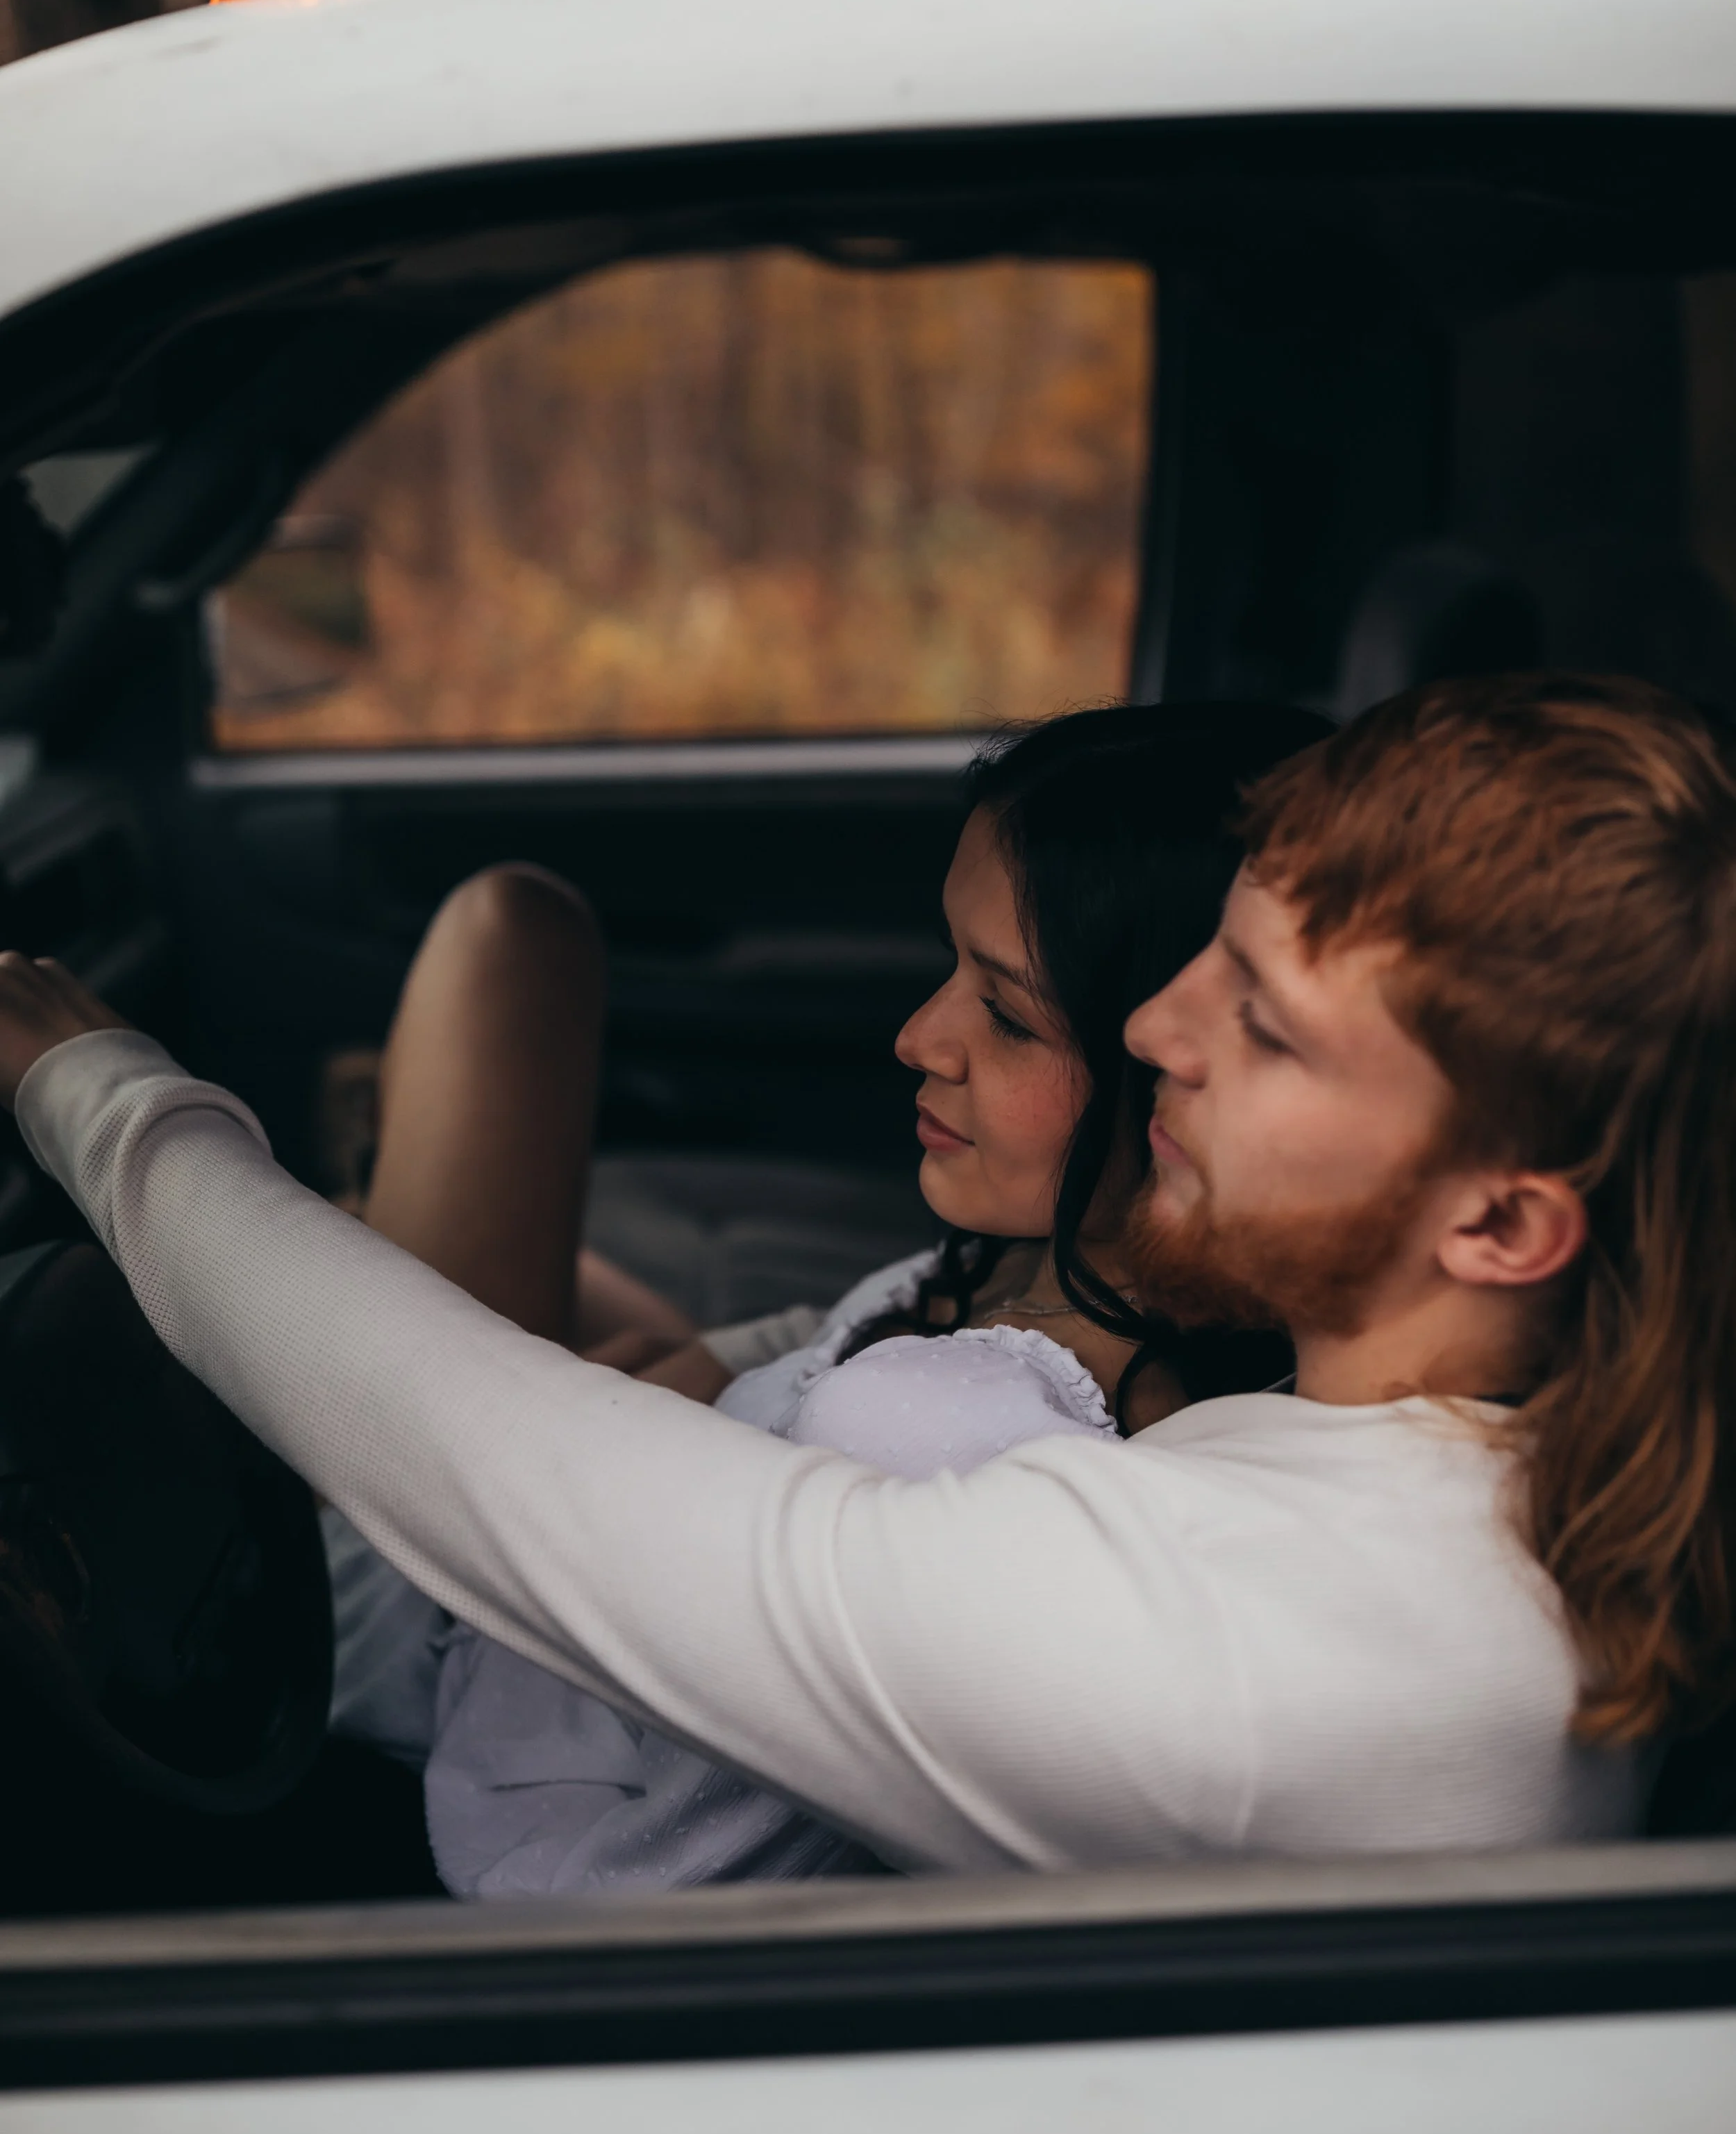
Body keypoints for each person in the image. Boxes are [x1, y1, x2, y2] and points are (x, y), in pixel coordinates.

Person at [2, 673, 1730, 1869]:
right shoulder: (1395, 1479)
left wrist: (89, 1090)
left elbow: (498, 1464)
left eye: (1260, 1031)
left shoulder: (1274, 1655)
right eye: (1208, 963)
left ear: (1500, 1228)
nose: (1151, 1030)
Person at [334, 703, 1312, 1896]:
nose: (915, 1037)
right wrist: (701, 1397)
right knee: (513, 946)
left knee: (507, 927)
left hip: (436, 1609)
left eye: (1005, 1014)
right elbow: (831, 1348)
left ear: (1178, 1067)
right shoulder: (1045, 1280)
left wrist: (111, 1114)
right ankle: (377, 1196)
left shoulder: (952, 1427)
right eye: (950, 965)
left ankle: (367, 1194)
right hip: (569, 1514)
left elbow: (608, 1878)